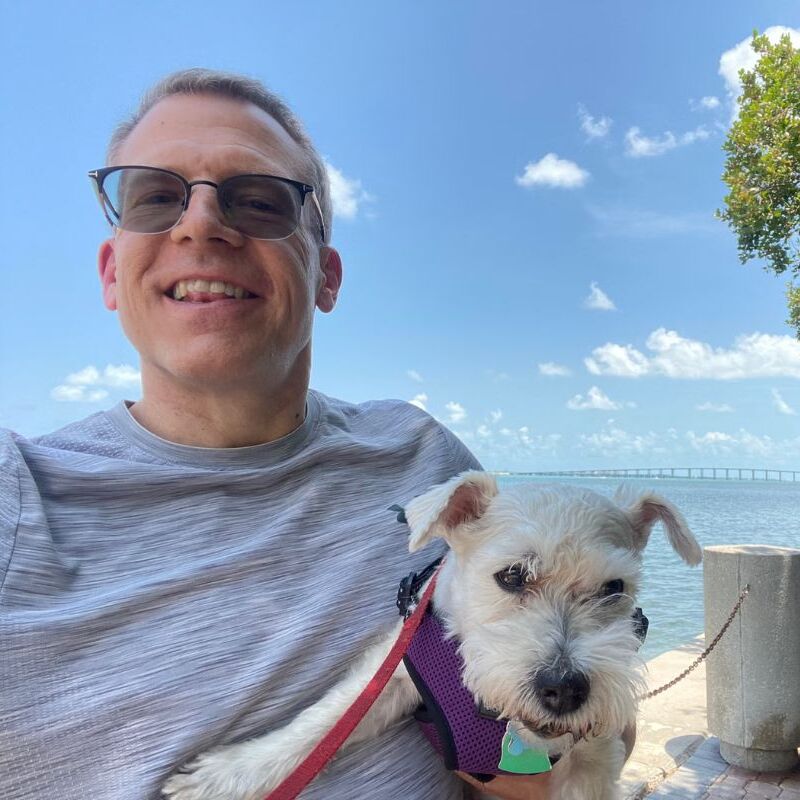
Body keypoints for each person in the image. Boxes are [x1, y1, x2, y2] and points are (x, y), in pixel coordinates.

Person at [0, 69, 564, 799]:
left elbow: (549, 748)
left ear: (327, 277)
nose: (199, 224)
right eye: (156, 196)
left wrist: (520, 748)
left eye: (259, 201)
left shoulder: (424, 460)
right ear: (113, 273)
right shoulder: (20, 499)